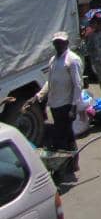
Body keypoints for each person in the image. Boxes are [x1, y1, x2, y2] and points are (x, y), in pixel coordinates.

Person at [25, 32, 85, 180]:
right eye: (56, 43)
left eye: (61, 42)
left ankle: (64, 169)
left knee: (61, 138)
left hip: (66, 104)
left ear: (67, 43)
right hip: (55, 104)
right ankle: (73, 164)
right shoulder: (53, 60)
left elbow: (78, 85)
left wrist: (73, 107)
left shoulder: (72, 60)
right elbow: (49, 82)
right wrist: (37, 97)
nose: (58, 45)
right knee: (68, 136)